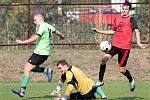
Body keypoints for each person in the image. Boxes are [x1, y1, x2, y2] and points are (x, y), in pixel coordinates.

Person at [92, 1, 147, 92]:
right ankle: (100, 81)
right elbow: (113, 31)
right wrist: (99, 31)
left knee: (121, 70)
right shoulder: (117, 18)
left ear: (129, 10)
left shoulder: (131, 19)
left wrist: (138, 43)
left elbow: (136, 31)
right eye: (123, 9)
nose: (124, 11)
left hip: (125, 48)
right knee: (104, 59)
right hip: (114, 45)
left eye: (126, 9)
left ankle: (131, 79)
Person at [12, 13, 64, 97]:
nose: (34, 22)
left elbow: (36, 37)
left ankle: (22, 91)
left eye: (35, 20)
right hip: (45, 53)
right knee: (29, 68)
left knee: (26, 69)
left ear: (39, 18)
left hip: (39, 52)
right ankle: (47, 71)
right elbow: (57, 31)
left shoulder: (42, 26)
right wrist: (62, 36)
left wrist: (23, 42)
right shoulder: (48, 26)